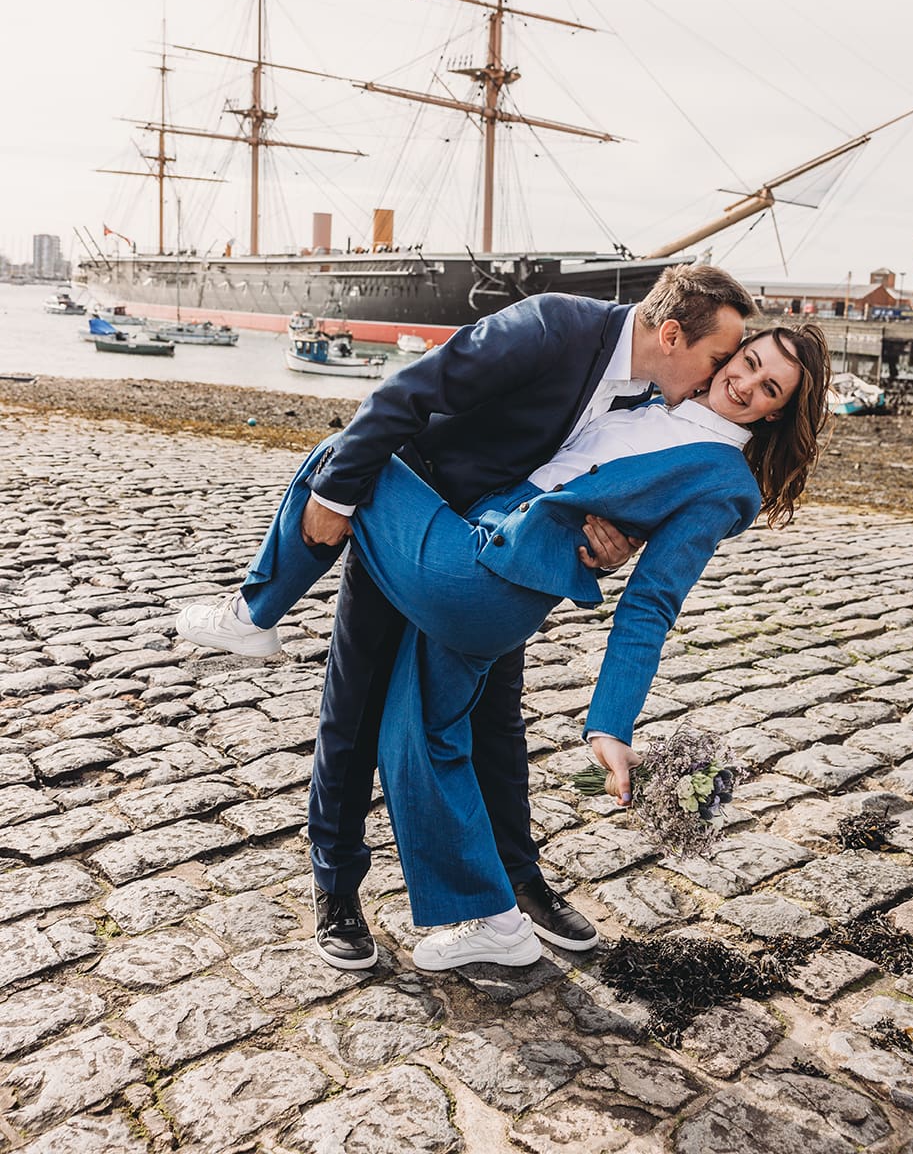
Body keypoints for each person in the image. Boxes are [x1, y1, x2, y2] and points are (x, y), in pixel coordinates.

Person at [176, 266, 756, 967]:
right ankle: (337, 890)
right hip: (407, 517)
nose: (721, 377)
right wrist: (335, 496)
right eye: (722, 359)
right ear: (671, 335)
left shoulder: (659, 401)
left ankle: (514, 884)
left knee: (495, 727)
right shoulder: (552, 326)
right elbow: (406, 394)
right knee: (354, 712)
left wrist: (612, 539)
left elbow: (611, 484)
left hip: (493, 553)